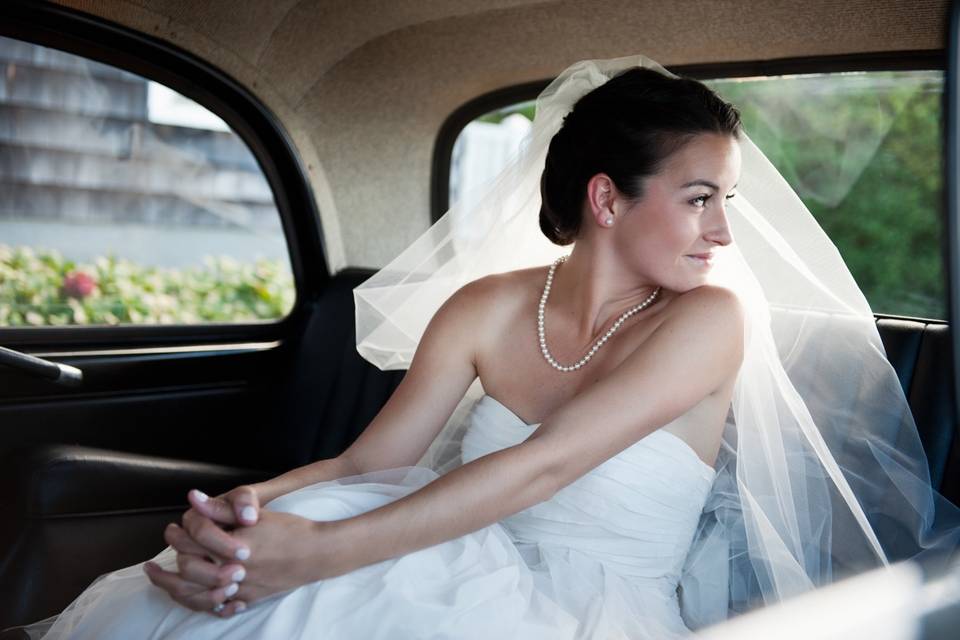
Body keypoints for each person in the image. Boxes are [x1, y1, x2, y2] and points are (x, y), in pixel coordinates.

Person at [25, 55, 960, 639]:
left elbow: (542, 468)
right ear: (606, 199)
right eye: (700, 197)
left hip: (587, 613)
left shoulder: (710, 320)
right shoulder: (485, 306)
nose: (723, 233)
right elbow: (370, 460)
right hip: (449, 556)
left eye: (730, 202)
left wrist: (321, 554)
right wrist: (247, 507)